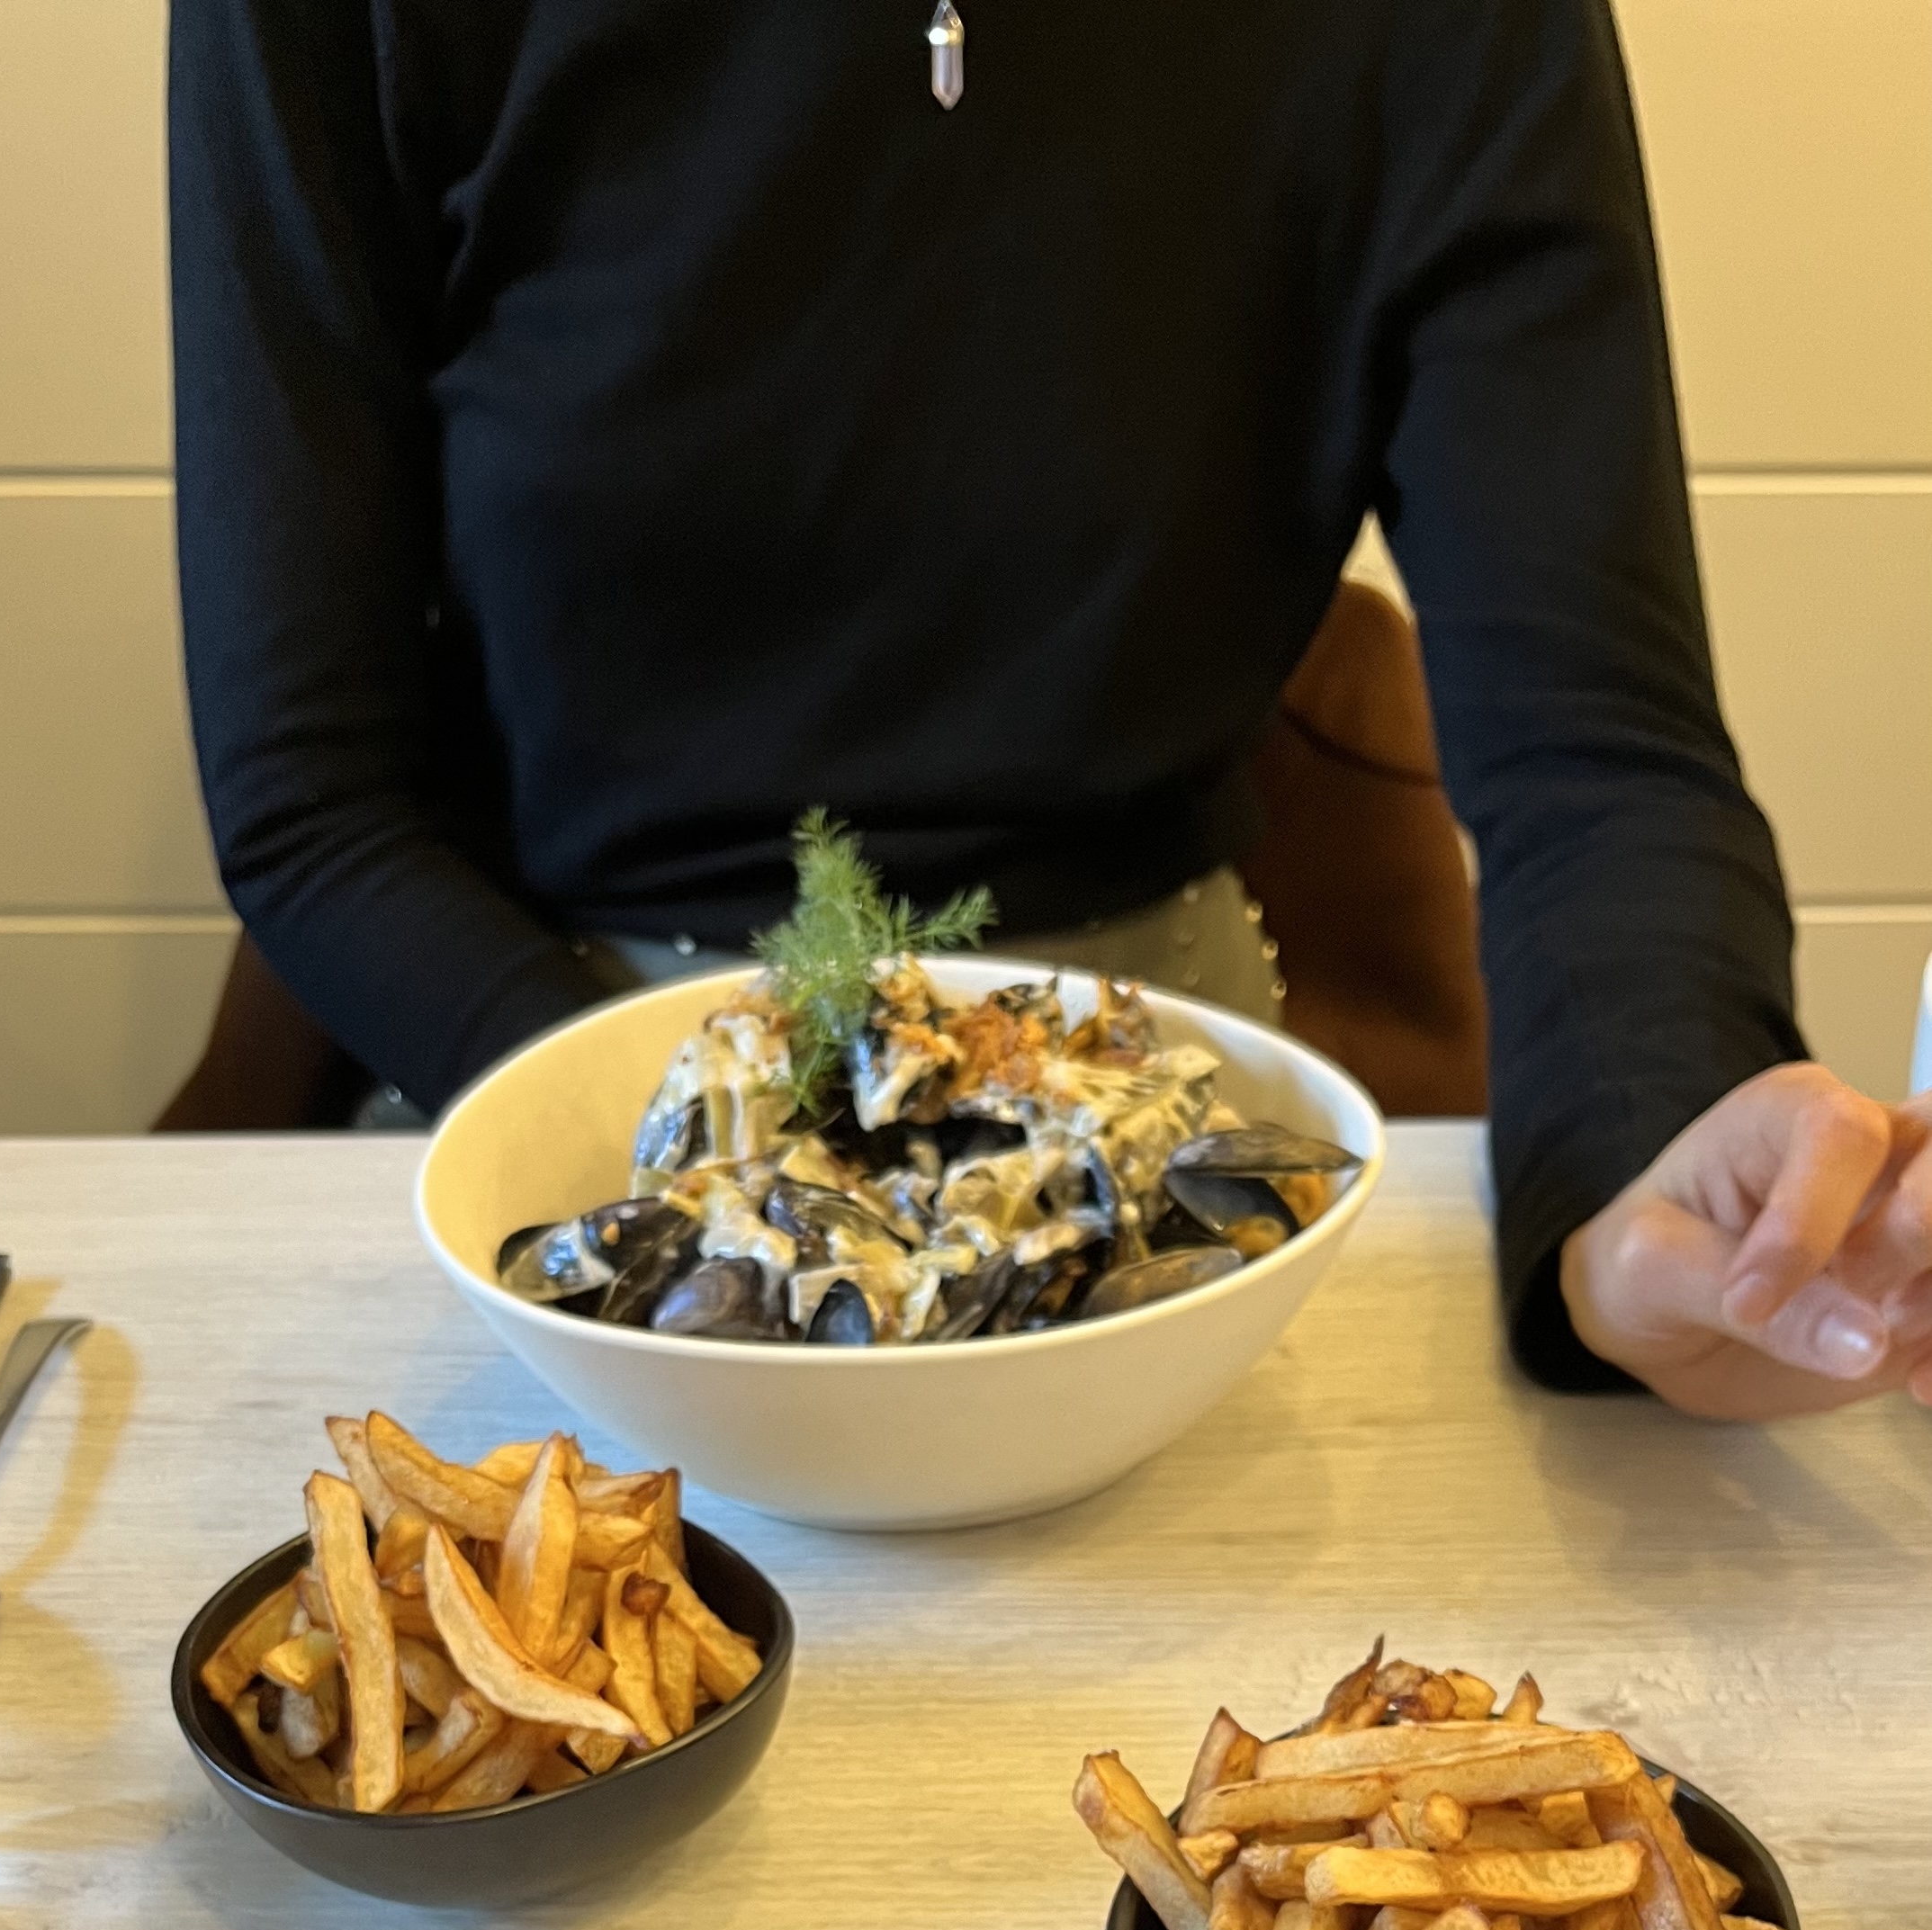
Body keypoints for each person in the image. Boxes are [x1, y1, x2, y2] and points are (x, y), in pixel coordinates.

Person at [167, 1, 1932, 1420]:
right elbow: (310, 791)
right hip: (557, 1094)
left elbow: (1595, 749)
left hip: (1154, 1154)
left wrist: (1657, 1159)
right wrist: (689, 1176)